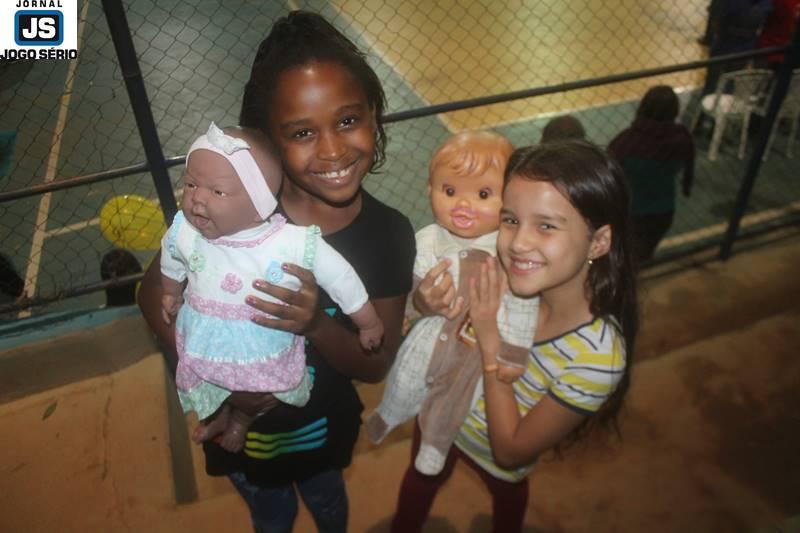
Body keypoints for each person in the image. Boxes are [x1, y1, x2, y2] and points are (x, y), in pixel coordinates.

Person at [137, 10, 415, 532]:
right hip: (235, 432)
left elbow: (375, 364)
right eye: (303, 131)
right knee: (272, 511)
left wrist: (314, 324)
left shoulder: (388, 236)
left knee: (327, 499)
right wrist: (223, 383)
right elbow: (152, 294)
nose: (332, 149)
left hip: (320, 428)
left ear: (374, 114)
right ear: (266, 140)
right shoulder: (228, 210)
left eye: (348, 120)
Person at [391, 140, 638, 533]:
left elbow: (509, 452)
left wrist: (490, 337)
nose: (518, 244)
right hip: (440, 416)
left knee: (507, 498)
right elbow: (432, 322)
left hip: (496, 461)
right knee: (420, 481)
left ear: (598, 242)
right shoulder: (502, 270)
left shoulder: (598, 357)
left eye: (546, 226)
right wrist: (423, 304)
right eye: (510, 220)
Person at [160, 123, 384, 453]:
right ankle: (220, 416)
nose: (197, 198)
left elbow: (340, 277)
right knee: (211, 384)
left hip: (260, 350)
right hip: (206, 342)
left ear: (259, 205)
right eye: (191, 184)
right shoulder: (186, 232)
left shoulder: (289, 243)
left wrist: (368, 321)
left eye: (217, 192)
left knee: (259, 396)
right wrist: (171, 290)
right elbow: (171, 255)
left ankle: (241, 421)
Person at [364, 131, 539, 476]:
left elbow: (523, 307)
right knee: (405, 374)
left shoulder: (510, 251)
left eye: (483, 194)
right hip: (430, 335)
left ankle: (435, 444)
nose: (463, 204)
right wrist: (412, 307)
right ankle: (388, 413)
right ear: (429, 189)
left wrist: (515, 353)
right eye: (449, 191)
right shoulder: (427, 240)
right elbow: (410, 287)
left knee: (454, 399)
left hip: (474, 349)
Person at [608, 86, 695, 261]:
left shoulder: (625, 142)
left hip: (631, 211)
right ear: (675, 110)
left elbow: (608, 175)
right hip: (663, 211)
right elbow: (687, 165)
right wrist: (686, 186)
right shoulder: (682, 138)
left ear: (643, 107)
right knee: (644, 254)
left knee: (622, 254)